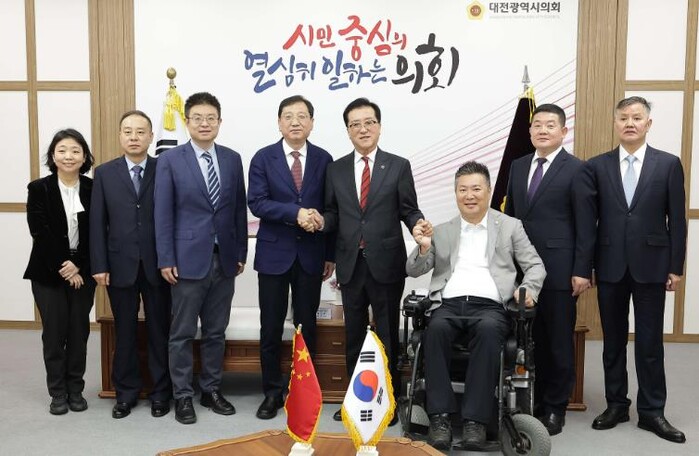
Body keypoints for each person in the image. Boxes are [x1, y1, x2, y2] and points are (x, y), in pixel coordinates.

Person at [407, 161, 546, 450]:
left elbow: (535, 265)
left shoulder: (509, 226)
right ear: (455, 193)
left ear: (488, 191)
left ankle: (475, 421)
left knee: (488, 332)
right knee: (435, 331)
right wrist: (423, 246)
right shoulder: (442, 230)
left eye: (476, 189)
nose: (469, 195)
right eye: (462, 190)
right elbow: (415, 269)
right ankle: (440, 419)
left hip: (490, 307)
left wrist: (528, 290)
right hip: (449, 304)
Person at [578, 96, 687, 443]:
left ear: (648, 124)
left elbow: (677, 220)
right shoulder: (597, 166)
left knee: (650, 343)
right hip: (609, 264)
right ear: (615, 123)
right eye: (623, 117)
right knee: (612, 341)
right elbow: (588, 224)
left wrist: (676, 266)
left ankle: (652, 412)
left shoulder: (668, 164)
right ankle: (616, 404)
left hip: (652, 265)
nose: (630, 123)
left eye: (637, 118)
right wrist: (587, 265)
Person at [312, 97, 427, 424]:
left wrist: (417, 225)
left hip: (386, 262)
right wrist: (322, 222)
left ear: (379, 126)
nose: (362, 129)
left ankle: (387, 401)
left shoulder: (398, 165)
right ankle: (354, 400)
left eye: (369, 123)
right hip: (351, 263)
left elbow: (408, 209)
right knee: (354, 336)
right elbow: (333, 213)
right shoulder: (335, 169)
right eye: (355, 124)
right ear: (348, 130)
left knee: (387, 334)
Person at [154, 92, 248, 425]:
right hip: (186, 260)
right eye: (197, 118)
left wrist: (240, 252)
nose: (204, 123)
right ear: (187, 121)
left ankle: (210, 390)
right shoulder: (170, 160)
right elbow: (162, 213)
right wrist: (166, 258)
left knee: (215, 332)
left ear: (219, 122)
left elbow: (238, 210)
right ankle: (182, 395)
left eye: (211, 118)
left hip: (225, 260)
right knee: (181, 333)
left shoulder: (232, 159)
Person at [503, 103, 591, 435]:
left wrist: (582, 269)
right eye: (537, 124)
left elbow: (586, 225)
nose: (542, 130)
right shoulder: (518, 165)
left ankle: (556, 407)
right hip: (521, 270)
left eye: (550, 125)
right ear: (530, 131)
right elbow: (510, 217)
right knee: (530, 338)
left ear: (563, 131)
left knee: (557, 340)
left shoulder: (577, 169)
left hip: (559, 269)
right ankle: (535, 401)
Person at [247, 95, 335, 419]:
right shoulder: (263, 158)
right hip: (274, 254)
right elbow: (257, 202)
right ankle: (272, 393)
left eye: (302, 116)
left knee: (306, 325)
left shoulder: (325, 159)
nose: (295, 122)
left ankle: (302, 390)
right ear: (279, 122)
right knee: (270, 327)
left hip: (311, 254)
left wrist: (329, 252)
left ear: (312, 122)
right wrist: (295, 213)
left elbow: (332, 208)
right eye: (288, 116)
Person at [90, 110, 172, 419]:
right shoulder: (104, 173)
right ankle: (125, 393)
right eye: (128, 131)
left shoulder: (164, 168)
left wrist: (171, 258)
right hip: (118, 264)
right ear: (120, 136)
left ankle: (161, 393)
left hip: (158, 264)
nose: (134, 137)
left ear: (151, 136)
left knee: (159, 331)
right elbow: (98, 222)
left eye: (140, 132)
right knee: (124, 332)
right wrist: (99, 264)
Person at [23, 129, 96, 415]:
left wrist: (79, 265)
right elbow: (39, 232)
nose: (69, 156)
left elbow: (98, 231)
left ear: (84, 156)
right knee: (54, 334)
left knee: (78, 333)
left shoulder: (93, 188)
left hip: (83, 271)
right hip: (48, 272)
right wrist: (66, 266)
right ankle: (57, 392)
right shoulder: (38, 188)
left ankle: (75, 389)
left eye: (75, 151)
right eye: (62, 150)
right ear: (53, 155)